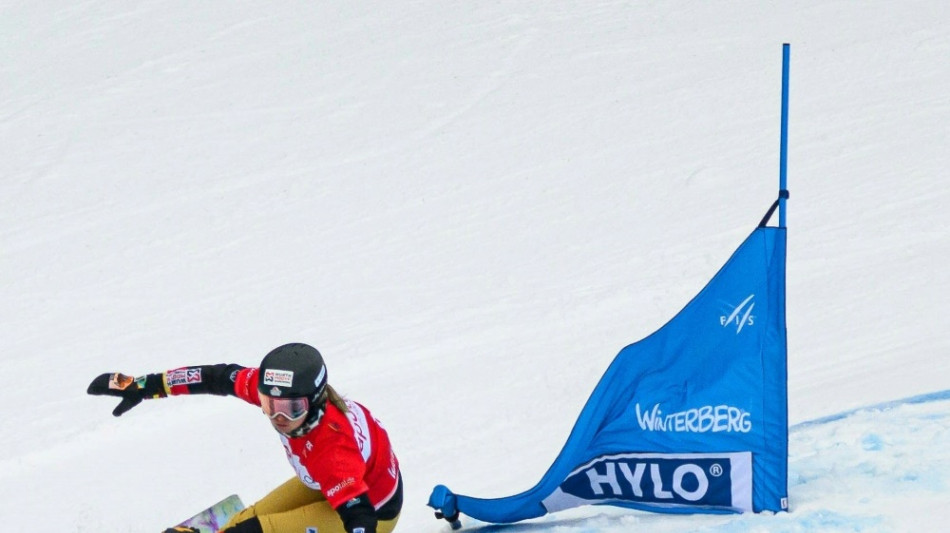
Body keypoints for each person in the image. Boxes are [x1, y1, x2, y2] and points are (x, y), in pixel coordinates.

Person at [87, 342, 402, 533]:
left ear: (316, 401)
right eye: (269, 404)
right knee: (246, 521)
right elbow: (215, 377)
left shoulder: (332, 448)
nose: (279, 418)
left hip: (374, 511)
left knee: (252, 532)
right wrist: (144, 385)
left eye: (291, 409)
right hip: (326, 485)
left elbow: (359, 517)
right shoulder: (278, 390)